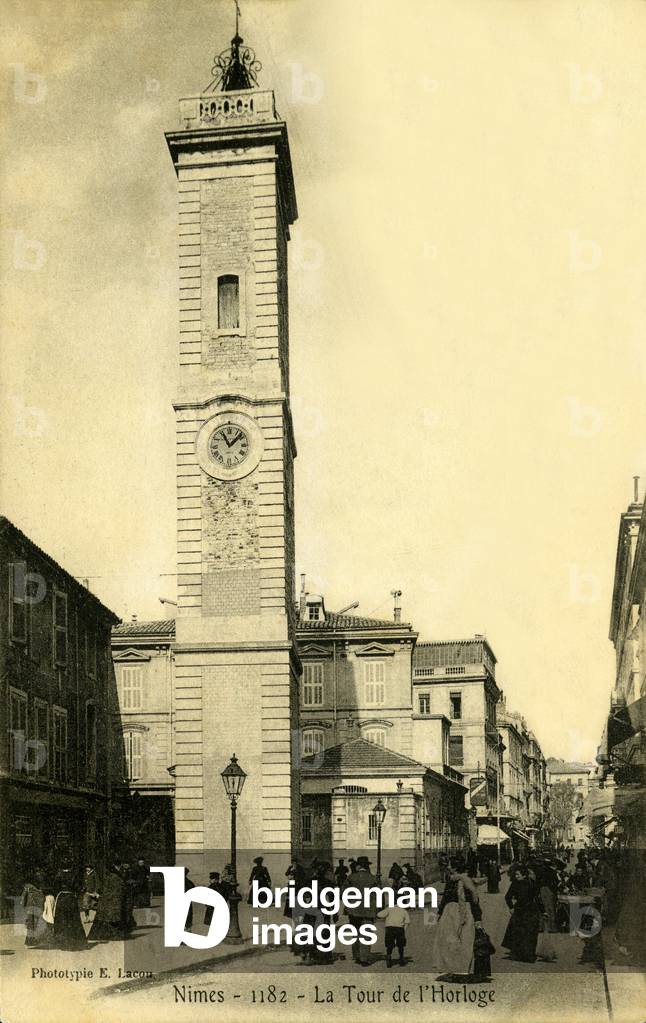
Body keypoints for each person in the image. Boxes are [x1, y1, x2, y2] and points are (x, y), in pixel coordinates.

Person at [435, 856, 481, 978]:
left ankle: (463, 969)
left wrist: (478, 919)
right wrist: (439, 913)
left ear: (455, 868)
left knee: (466, 941)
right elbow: (445, 898)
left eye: (450, 865)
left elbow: (474, 900)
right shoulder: (451, 880)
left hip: (465, 912)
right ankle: (452, 968)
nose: (448, 867)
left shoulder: (467, 881)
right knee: (448, 941)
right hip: (449, 913)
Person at [502, 864, 542, 963]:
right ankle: (522, 955)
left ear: (524, 875)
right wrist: (511, 907)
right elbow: (507, 897)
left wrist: (543, 911)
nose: (516, 876)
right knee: (522, 933)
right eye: (515, 875)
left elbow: (537, 898)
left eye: (518, 874)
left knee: (526, 933)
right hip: (523, 910)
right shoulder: (518, 883)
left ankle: (526, 955)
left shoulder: (529, 883)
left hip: (528, 910)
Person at [344, 856, 378, 966]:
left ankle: (357, 956)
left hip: (353, 910)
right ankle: (364, 958)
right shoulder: (373, 878)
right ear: (367, 866)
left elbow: (342, 893)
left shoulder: (351, 878)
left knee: (355, 933)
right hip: (369, 911)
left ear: (358, 866)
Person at [52, 865, 88, 950]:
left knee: (61, 920)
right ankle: (74, 942)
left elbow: (55, 888)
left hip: (61, 898)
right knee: (73, 919)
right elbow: (78, 888)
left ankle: (61, 942)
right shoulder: (73, 875)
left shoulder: (59, 875)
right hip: (71, 898)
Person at [89, 864, 126, 941]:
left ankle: (103, 934)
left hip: (109, 902)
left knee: (101, 914)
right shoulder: (118, 878)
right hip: (116, 903)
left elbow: (107, 892)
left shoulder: (109, 878)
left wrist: (99, 896)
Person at [21, 869, 48, 947]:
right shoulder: (30, 887)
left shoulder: (32, 887)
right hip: (32, 907)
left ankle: (31, 940)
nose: (40, 878)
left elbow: (24, 897)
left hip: (33, 907)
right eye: (39, 876)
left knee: (33, 923)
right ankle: (29, 941)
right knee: (31, 923)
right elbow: (24, 897)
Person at [377, 904, 410, 968]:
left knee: (389, 944)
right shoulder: (404, 911)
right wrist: (404, 929)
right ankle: (401, 958)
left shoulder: (389, 909)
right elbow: (407, 922)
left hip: (390, 928)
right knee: (401, 945)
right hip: (399, 929)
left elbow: (379, 914)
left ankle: (389, 956)